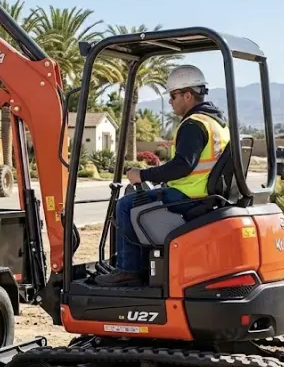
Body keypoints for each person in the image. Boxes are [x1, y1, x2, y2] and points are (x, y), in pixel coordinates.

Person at [94, 65, 231, 287]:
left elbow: (182, 166)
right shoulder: (217, 123)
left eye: (173, 96)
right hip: (204, 195)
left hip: (188, 197)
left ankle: (128, 270)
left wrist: (143, 174)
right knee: (138, 200)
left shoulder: (194, 124)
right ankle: (141, 266)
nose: (170, 101)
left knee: (125, 205)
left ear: (188, 95)